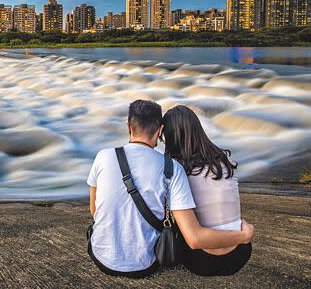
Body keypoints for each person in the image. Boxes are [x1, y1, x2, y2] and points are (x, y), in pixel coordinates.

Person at [87, 100, 254, 278]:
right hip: (238, 253)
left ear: (128, 127)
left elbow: (94, 210)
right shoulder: (202, 164)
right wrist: (244, 236)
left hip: (101, 256)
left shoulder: (102, 156)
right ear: (159, 130)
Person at [162, 105, 251, 276]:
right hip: (241, 253)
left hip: (202, 261)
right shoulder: (225, 160)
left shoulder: (176, 170)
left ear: (171, 137)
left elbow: (194, 240)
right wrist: (244, 235)